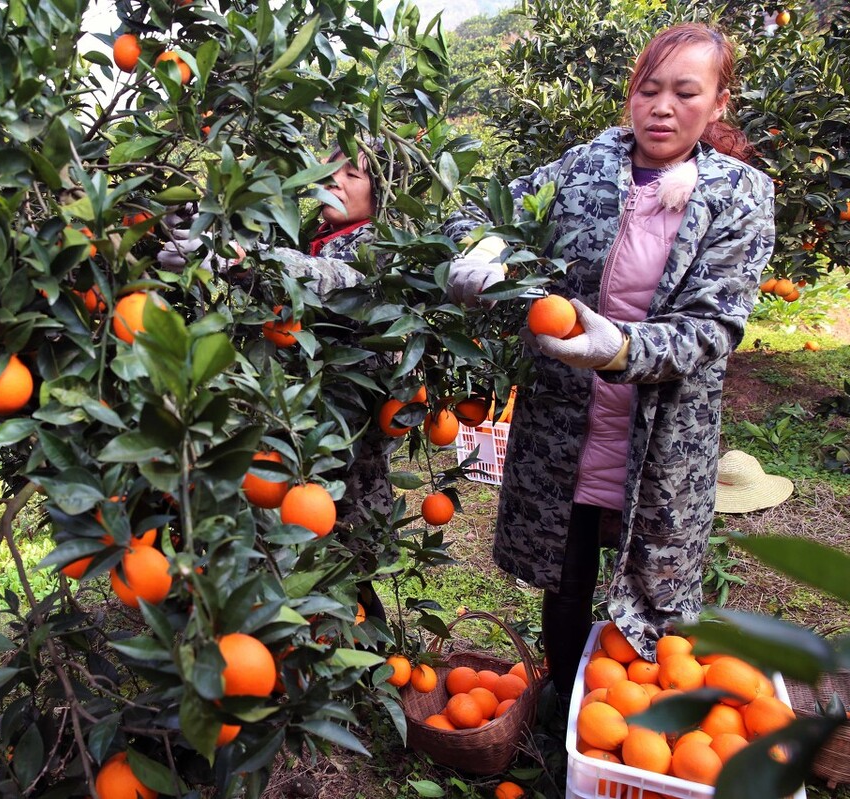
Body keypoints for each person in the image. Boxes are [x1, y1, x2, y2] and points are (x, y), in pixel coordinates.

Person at [446, 23, 775, 700]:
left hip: (659, 438)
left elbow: (712, 327)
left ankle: (630, 725)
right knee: (565, 580)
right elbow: (489, 209)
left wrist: (621, 348)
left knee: (650, 600)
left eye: (685, 91)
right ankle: (563, 716)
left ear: (719, 103)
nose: (661, 106)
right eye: (647, 89)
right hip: (569, 424)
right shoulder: (583, 166)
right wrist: (480, 245)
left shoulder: (740, 196)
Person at [158, 142, 404, 625]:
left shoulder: (384, 244)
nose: (334, 180)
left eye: (352, 175)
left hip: (344, 440)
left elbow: (345, 282)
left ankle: (367, 669)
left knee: (343, 560)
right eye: (328, 169)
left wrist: (247, 258)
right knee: (301, 556)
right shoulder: (310, 234)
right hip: (294, 430)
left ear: (382, 192)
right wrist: (201, 226)